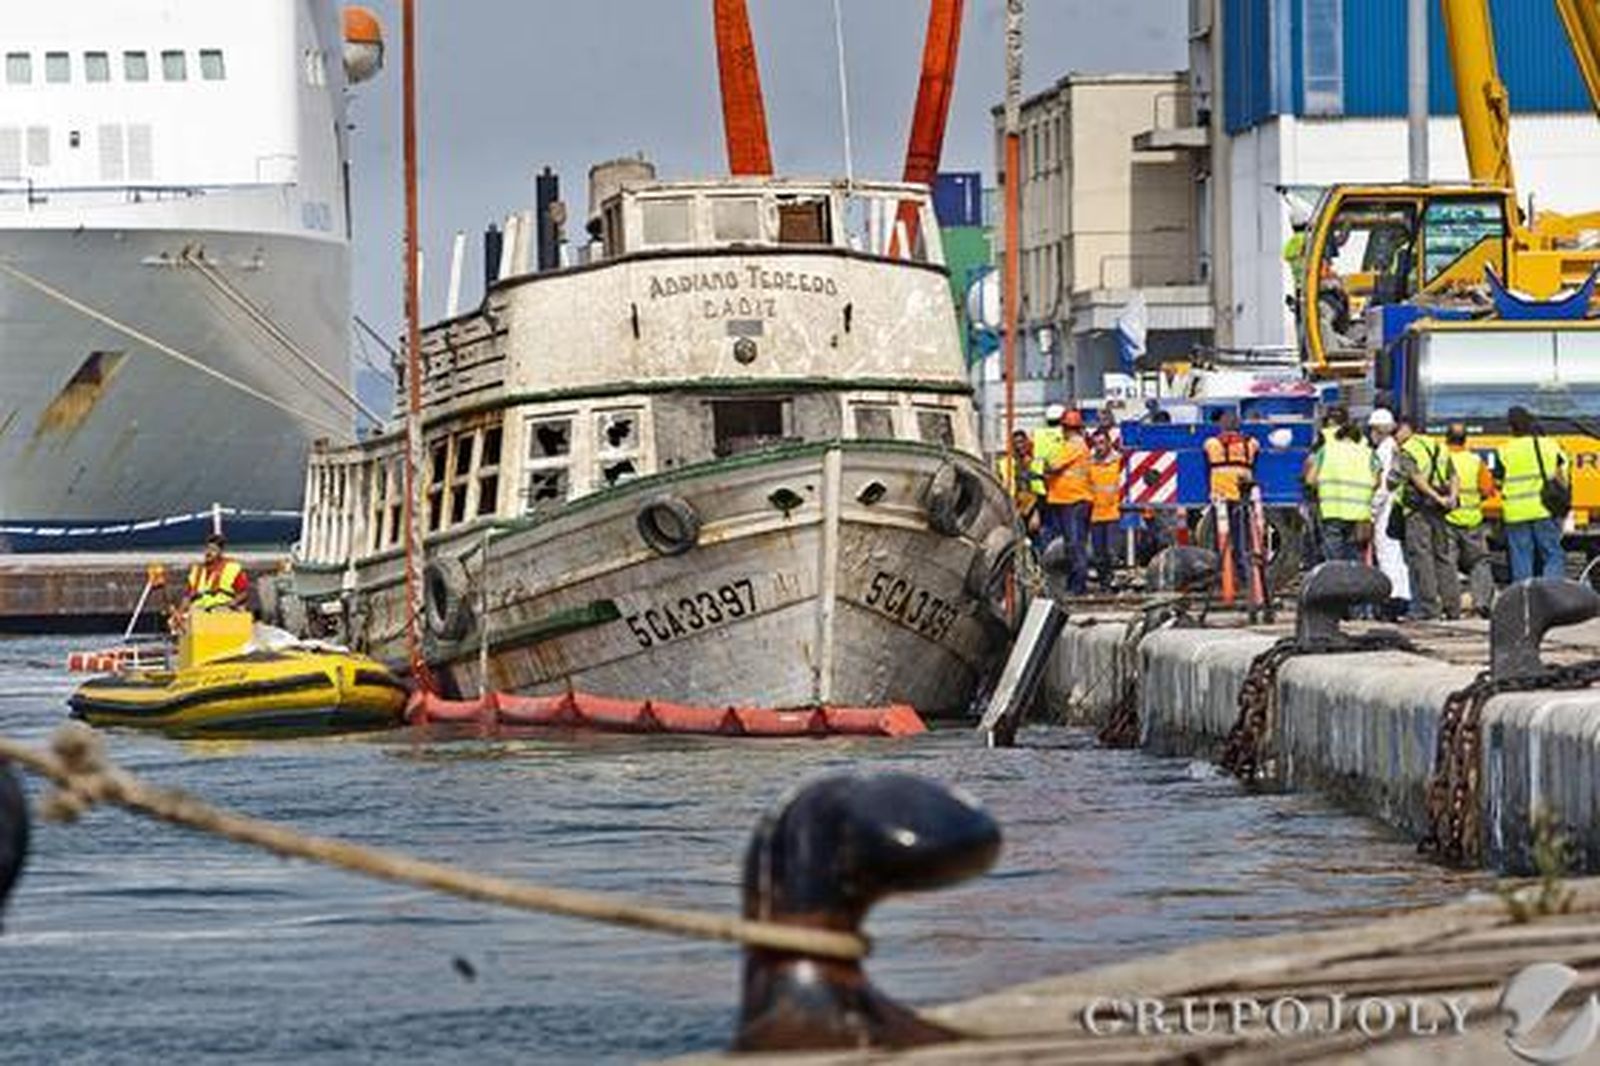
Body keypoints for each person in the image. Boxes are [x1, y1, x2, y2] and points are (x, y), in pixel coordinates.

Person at [1390, 416, 1459, 620]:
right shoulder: (1438, 446)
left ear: (1406, 429)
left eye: (1396, 432)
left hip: (1417, 510)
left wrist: (1435, 496)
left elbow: (1410, 479)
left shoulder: (1408, 450)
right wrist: (1450, 497)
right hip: (1439, 509)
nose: (1395, 437)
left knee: (1422, 558)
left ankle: (1428, 608)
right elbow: (1453, 475)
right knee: (1443, 557)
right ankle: (1452, 606)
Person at [1496, 405, 1569, 582]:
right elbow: (1562, 477)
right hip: (1543, 508)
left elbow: (1498, 481)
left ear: (1510, 427)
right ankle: (1553, 596)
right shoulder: (1549, 445)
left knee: (1521, 557)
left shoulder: (1504, 450)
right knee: (1552, 553)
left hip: (1515, 512)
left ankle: (1525, 601)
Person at [1202, 411, 1260, 595]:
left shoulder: (1212, 444)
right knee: (1242, 540)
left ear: (1221, 426)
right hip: (1242, 498)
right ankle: (1244, 579)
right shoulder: (1250, 444)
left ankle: (1220, 577)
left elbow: (1204, 448)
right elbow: (1257, 447)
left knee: (1218, 541)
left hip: (1220, 498)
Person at [1444, 423, 1498, 617]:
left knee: (1447, 563)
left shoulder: (1442, 459)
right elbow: (1487, 490)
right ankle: (1482, 602)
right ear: (1465, 440)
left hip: (1447, 519)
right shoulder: (1475, 461)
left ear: (1446, 439)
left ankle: (1450, 605)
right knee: (1479, 562)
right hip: (1472, 520)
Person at [1308, 420, 1377, 563]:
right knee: (1355, 559)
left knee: (1334, 559)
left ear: (1338, 437)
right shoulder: (1369, 453)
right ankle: (1355, 583)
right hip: (1359, 514)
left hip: (1332, 512)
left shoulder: (1326, 450)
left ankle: (1335, 584)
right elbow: (1377, 481)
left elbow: (1310, 479)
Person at [1043, 408, 1093, 595]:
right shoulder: (1071, 445)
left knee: (1074, 545)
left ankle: (1078, 586)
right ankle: (1075, 585)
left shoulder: (1075, 445)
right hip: (1068, 500)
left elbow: (1053, 465)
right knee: (1073, 545)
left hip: (1074, 501)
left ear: (1066, 427)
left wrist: (1048, 466)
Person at [1368, 408, 1412, 619]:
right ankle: (1402, 597)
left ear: (1377, 430)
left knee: (1387, 554)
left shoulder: (1383, 451)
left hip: (1386, 508)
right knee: (1397, 555)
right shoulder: (1395, 448)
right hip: (1396, 506)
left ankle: (1393, 600)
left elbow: (1384, 485)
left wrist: (1373, 509)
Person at [1088, 431, 1123, 590]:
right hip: (1095, 515)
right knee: (1098, 555)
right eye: (1096, 443)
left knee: (1111, 552)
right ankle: (1104, 585)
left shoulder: (1119, 462)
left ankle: (1113, 581)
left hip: (1114, 513)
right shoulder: (1090, 464)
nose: (1099, 447)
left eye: (1102, 443)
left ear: (1109, 443)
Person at [184, 533, 250, 613]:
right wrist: (180, 613)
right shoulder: (197, 570)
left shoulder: (232, 568)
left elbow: (243, 593)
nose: (209, 552)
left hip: (222, 607)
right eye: (207, 549)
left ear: (220, 552)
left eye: (213, 550)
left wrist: (233, 603)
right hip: (199, 608)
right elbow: (187, 596)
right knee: (180, 619)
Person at [997, 429, 1044, 543]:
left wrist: (1036, 512)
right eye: (1016, 443)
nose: (1019, 446)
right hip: (1013, 506)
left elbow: (1040, 489)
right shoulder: (1005, 463)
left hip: (1032, 505)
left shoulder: (1036, 462)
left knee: (1035, 538)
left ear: (1027, 443)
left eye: (1022, 442)